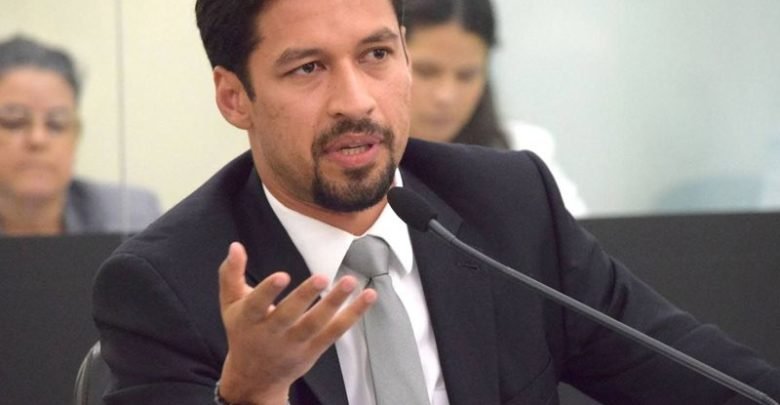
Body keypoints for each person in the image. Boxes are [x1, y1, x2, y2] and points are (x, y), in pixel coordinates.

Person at [92, 1, 780, 404]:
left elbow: (698, 376)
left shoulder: (508, 205)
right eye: (308, 68)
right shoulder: (167, 284)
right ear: (234, 97)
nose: (357, 101)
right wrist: (251, 393)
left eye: (376, 55)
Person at [404, 0, 587, 216]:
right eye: (426, 71)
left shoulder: (524, 153)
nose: (446, 96)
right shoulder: (368, 161)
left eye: (467, 75)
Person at [0, 35, 161, 236]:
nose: (38, 139)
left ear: (76, 136)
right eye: (14, 122)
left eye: (56, 124)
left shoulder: (130, 215)